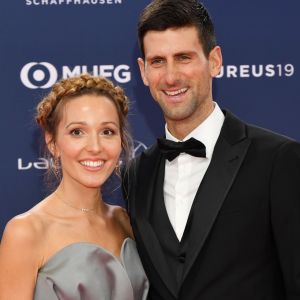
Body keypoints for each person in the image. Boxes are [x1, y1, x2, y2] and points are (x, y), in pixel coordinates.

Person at [122, 1, 300, 299]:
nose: (170, 76)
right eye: (157, 61)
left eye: (183, 58)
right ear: (143, 71)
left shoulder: (278, 160)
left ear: (215, 61)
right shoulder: (136, 174)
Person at [0, 74, 149, 300]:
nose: (95, 147)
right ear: (53, 142)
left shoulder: (125, 221)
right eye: (77, 132)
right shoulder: (26, 232)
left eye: (107, 131)